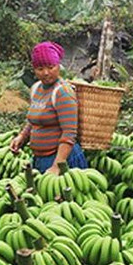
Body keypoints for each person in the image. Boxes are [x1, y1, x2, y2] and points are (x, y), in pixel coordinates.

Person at [10, 41, 88, 174]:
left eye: (51, 67)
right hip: (40, 158)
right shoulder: (36, 88)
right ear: (34, 70)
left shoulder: (62, 92)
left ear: (58, 66)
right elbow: (34, 119)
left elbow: (69, 133)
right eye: (40, 69)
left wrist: (58, 165)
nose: (46, 73)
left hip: (62, 159)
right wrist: (22, 136)